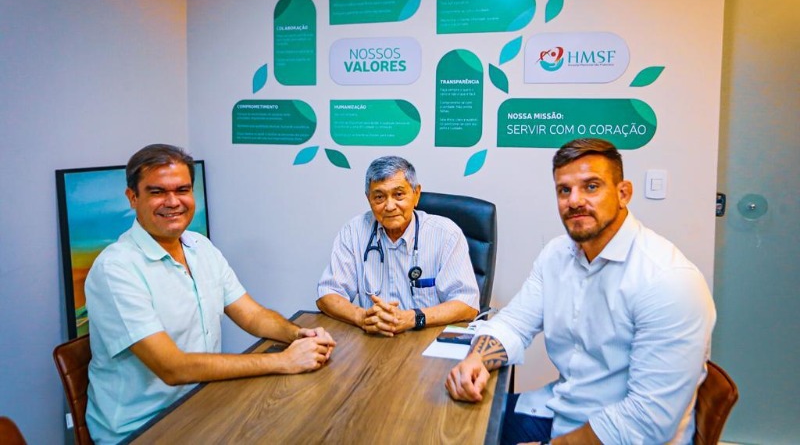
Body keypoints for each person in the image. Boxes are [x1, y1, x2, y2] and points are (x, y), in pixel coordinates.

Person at [446, 138, 716, 444]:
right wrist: (477, 359)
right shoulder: (557, 254)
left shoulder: (669, 280)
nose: (574, 201)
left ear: (623, 193)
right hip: (560, 410)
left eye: (591, 186)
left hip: (620, 435)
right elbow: (514, 323)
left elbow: (645, 424)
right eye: (564, 190)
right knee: (448, 421)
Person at [84, 144, 336, 444]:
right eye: (157, 192)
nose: (173, 202)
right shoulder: (116, 269)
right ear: (132, 197)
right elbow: (172, 368)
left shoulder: (199, 246)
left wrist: (298, 336)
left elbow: (252, 315)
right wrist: (284, 361)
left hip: (204, 401)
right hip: (143, 428)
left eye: (182, 190)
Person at [316, 155, 480, 336]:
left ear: (416, 194)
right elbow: (327, 294)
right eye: (379, 197)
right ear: (368, 198)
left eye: (399, 195)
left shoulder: (446, 234)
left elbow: (467, 304)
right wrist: (362, 317)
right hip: (373, 338)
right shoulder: (353, 231)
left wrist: (413, 318)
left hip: (427, 339)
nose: (389, 206)